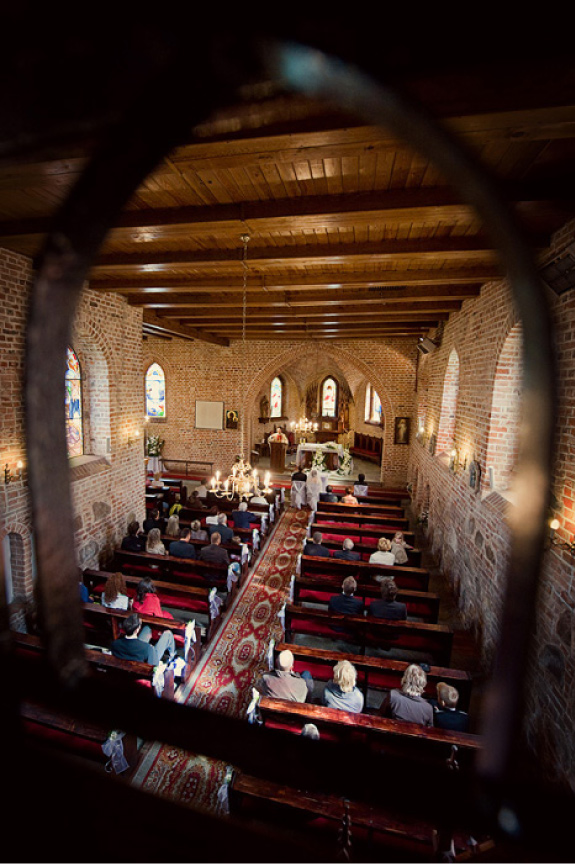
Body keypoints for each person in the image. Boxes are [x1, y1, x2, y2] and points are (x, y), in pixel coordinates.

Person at [110, 612, 175, 666]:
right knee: (168, 634)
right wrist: (152, 650)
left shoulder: (115, 644)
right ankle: (173, 656)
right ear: (137, 630)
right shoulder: (147, 648)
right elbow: (154, 665)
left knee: (147, 628)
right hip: (143, 670)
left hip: (126, 667)